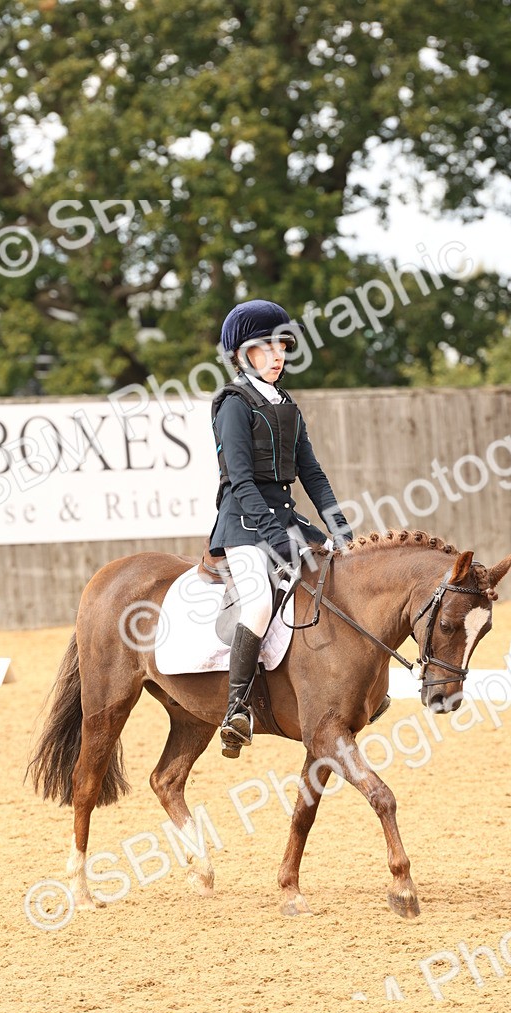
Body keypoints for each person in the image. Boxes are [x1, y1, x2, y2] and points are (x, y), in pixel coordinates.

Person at [208, 298, 388, 757]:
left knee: (341, 577)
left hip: (286, 520)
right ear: (243, 354)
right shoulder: (233, 404)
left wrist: (340, 531)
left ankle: (359, 688)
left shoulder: (287, 405)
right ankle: (238, 709)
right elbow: (241, 480)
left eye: (282, 347)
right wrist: (272, 537)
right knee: (259, 603)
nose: (277, 356)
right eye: (265, 348)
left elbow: (313, 474)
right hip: (244, 524)